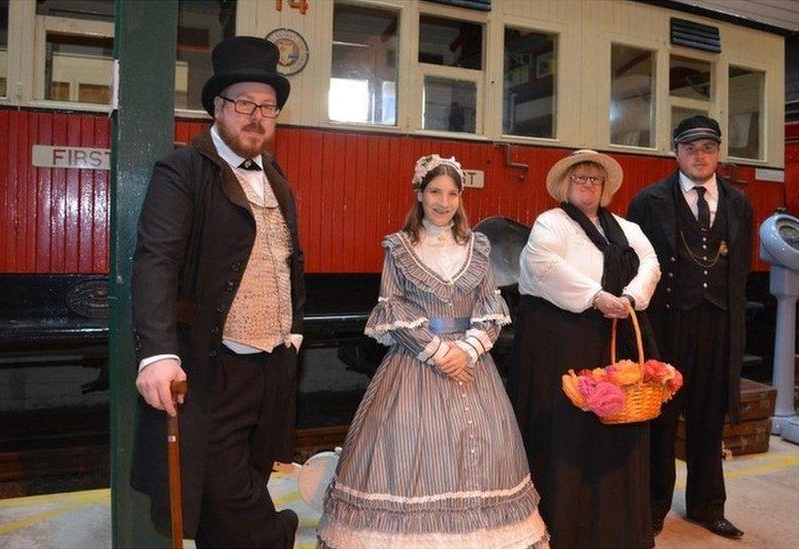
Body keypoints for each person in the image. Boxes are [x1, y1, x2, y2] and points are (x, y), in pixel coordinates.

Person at [317, 154, 548, 548]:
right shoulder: (400, 247)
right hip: (415, 365)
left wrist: (469, 351)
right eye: (435, 192)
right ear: (420, 195)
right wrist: (441, 354)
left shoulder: (477, 247)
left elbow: (490, 309)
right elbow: (394, 308)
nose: (444, 202)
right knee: (408, 448)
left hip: (473, 368)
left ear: (461, 198)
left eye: (452, 193)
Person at [131, 36, 305, 548]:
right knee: (230, 494)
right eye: (245, 105)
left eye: (267, 107)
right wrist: (158, 352)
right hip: (212, 366)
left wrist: (293, 331)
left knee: (247, 478)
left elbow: (290, 258)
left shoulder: (276, 176)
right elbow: (155, 259)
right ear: (217, 108)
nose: (257, 117)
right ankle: (280, 535)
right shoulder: (182, 170)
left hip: (270, 365)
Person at [509, 149, 661, 548]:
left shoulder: (626, 228)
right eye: (580, 179)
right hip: (563, 343)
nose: (588, 186)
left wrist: (629, 296)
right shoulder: (551, 223)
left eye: (595, 179)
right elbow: (544, 266)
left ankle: (614, 529)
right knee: (568, 435)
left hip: (613, 337)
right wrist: (597, 296)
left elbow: (650, 263)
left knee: (616, 433)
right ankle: (567, 528)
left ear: (605, 187)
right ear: (566, 185)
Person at [626, 115, 753, 540]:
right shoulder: (648, 202)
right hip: (668, 323)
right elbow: (635, 266)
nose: (699, 156)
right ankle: (654, 504)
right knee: (661, 417)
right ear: (675, 152)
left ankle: (706, 506)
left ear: (719, 152)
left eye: (708, 148)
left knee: (708, 416)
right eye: (690, 148)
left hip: (718, 324)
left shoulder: (739, 205)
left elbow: (740, 273)